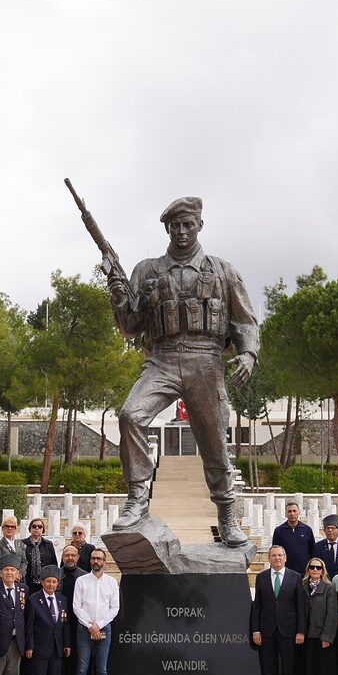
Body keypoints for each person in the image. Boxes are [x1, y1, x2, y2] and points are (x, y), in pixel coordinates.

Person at [107, 195, 259, 545]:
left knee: (214, 442)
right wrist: (118, 296)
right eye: (174, 226)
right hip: (160, 358)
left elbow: (245, 321)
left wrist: (249, 353)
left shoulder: (223, 271)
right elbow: (130, 326)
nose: (180, 231)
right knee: (131, 415)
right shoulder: (146, 270)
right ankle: (136, 499)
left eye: (187, 224)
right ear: (167, 229)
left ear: (199, 226)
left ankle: (227, 517)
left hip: (205, 361)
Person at [250, 546, 306, 675]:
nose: (277, 558)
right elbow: (257, 606)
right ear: (268, 558)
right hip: (266, 631)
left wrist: (301, 631)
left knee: (289, 671)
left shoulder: (295, 577)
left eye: (280, 555)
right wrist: (255, 629)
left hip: (288, 631)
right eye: (273, 556)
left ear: (285, 557)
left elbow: (300, 607)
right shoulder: (261, 577)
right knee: (269, 670)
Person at [72, 548, 121, 675]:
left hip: (104, 628)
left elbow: (115, 608)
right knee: (82, 667)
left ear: (104, 562)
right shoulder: (81, 581)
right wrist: (90, 626)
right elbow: (76, 606)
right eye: (93, 558)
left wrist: (98, 625)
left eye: (99, 559)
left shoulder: (111, 582)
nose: (95, 561)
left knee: (101, 669)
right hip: (84, 629)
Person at [24, 566, 72, 675]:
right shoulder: (33, 599)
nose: (51, 585)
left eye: (54, 582)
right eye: (48, 582)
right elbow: (29, 625)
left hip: (57, 647)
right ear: (42, 583)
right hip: (39, 647)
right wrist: (29, 645)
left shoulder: (62, 600)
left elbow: (65, 624)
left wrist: (67, 644)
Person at [300, 558, 338, 675]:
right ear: (308, 569)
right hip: (308, 636)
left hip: (323, 637)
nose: (315, 570)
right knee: (311, 672)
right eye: (312, 567)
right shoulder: (302, 587)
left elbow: (332, 614)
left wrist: (327, 636)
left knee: (325, 672)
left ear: (323, 570)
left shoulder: (329, 588)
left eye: (318, 567)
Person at [59, 545, 88, 675]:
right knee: (60, 664)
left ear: (77, 558)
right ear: (62, 557)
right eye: (67, 555)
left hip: (79, 624)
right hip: (59, 624)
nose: (70, 558)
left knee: (77, 663)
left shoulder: (84, 576)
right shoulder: (55, 574)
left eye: (73, 555)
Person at [271, 502, 316, 576]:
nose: (292, 514)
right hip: (286, 573)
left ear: (299, 512)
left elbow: (312, 551)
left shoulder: (307, 530)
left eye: (294, 511)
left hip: (304, 572)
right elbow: (275, 552)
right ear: (286, 514)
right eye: (289, 511)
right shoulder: (279, 531)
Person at [23, 517, 58, 591]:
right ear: (30, 529)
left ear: (43, 530)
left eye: (39, 526)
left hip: (45, 582)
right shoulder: (22, 543)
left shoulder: (48, 544)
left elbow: (53, 563)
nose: (37, 528)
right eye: (34, 526)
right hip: (27, 581)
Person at [0, 515, 27, 580]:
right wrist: (11, 574)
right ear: (2, 528)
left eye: (12, 526)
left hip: (18, 580)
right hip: (2, 580)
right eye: (7, 526)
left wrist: (19, 574)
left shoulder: (21, 544)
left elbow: (24, 562)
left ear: (16, 529)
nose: (9, 528)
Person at [315, 513, 338, 578]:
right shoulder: (317, 547)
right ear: (324, 530)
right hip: (324, 581)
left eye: (333, 528)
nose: (330, 530)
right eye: (328, 528)